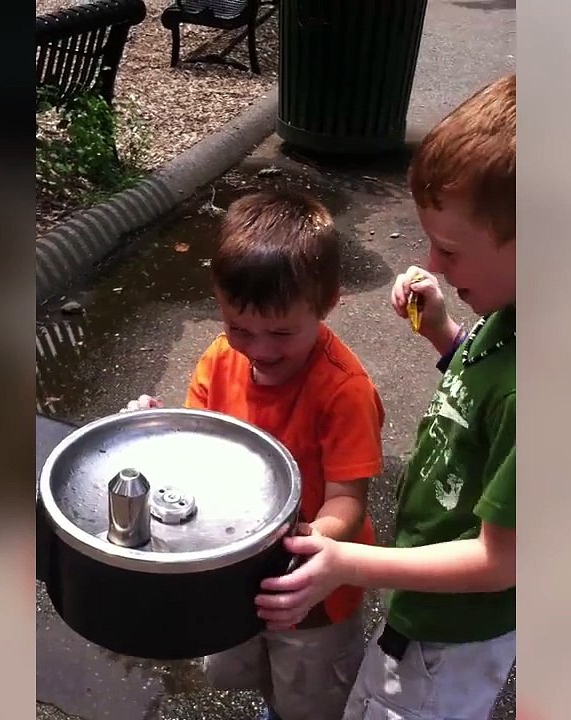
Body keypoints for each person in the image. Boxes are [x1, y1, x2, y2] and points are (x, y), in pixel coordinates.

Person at [254, 73, 518, 720]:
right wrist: (444, 336)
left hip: (449, 636)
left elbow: (499, 561)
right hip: (425, 610)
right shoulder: (513, 317)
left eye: (450, 248)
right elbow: (484, 394)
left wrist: (351, 562)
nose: (432, 260)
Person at [124, 188, 384, 720]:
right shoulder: (220, 360)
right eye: (240, 328)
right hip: (237, 570)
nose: (260, 350)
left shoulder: (343, 391)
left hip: (310, 592)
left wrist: (308, 541)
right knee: (252, 662)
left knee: (311, 692)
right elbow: (195, 449)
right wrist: (149, 429)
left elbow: (347, 502)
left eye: (282, 332)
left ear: (329, 303)